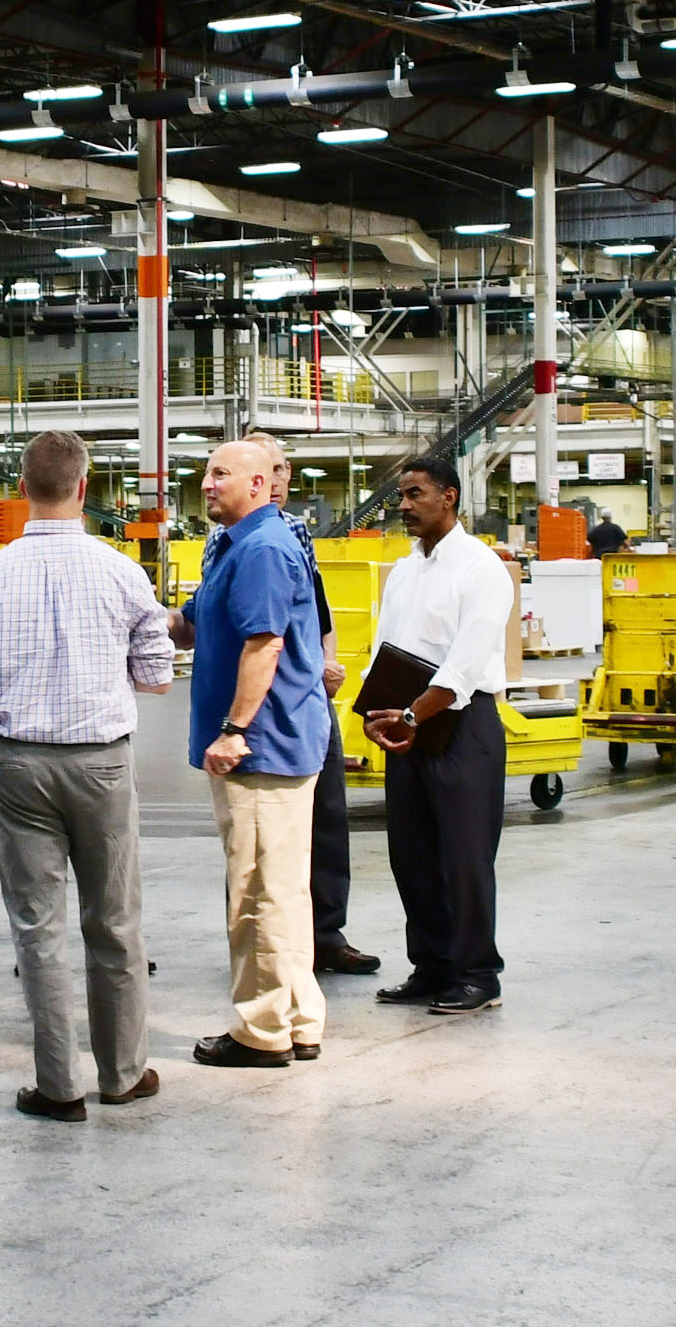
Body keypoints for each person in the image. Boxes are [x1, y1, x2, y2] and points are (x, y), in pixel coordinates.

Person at [0, 430, 174, 1120]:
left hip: (16, 766)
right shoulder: (124, 572)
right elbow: (157, 675)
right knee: (116, 921)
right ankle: (123, 1074)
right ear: (83, 487)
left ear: (21, 490)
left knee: (37, 929)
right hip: (100, 764)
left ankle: (57, 1086)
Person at [181, 438, 332, 1070]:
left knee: (256, 892)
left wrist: (235, 729)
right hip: (272, 743)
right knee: (282, 889)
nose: (208, 483)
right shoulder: (238, 545)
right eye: (207, 472)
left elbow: (265, 645)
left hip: (262, 748)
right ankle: (297, 1018)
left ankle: (261, 1030)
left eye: (220, 474)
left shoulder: (265, 548)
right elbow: (190, 622)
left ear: (260, 485)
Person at [362, 453, 516, 1014]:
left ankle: (477, 975)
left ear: (448, 496)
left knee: (465, 858)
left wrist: (410, 716)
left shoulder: (481, 569)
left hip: (461, 726)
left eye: (414, 494)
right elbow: (385, 649)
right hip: (407, 727)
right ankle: (431, 966)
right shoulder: (405, 570)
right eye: (401, 495)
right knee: (412, 853)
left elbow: (465, 665)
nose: (403, 505)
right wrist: (377, 712)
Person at [240, 433, 378, 978]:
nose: (268, 482)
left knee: (327, 818)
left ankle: (325, 934)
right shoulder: (236, 538)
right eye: (255, 471)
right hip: (267, 706)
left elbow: (317, 611)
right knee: (264, 835)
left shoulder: (293, 530)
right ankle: (271, 940)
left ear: (285, 475)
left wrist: (328, 664)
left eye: (274, 470)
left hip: (308, 699)